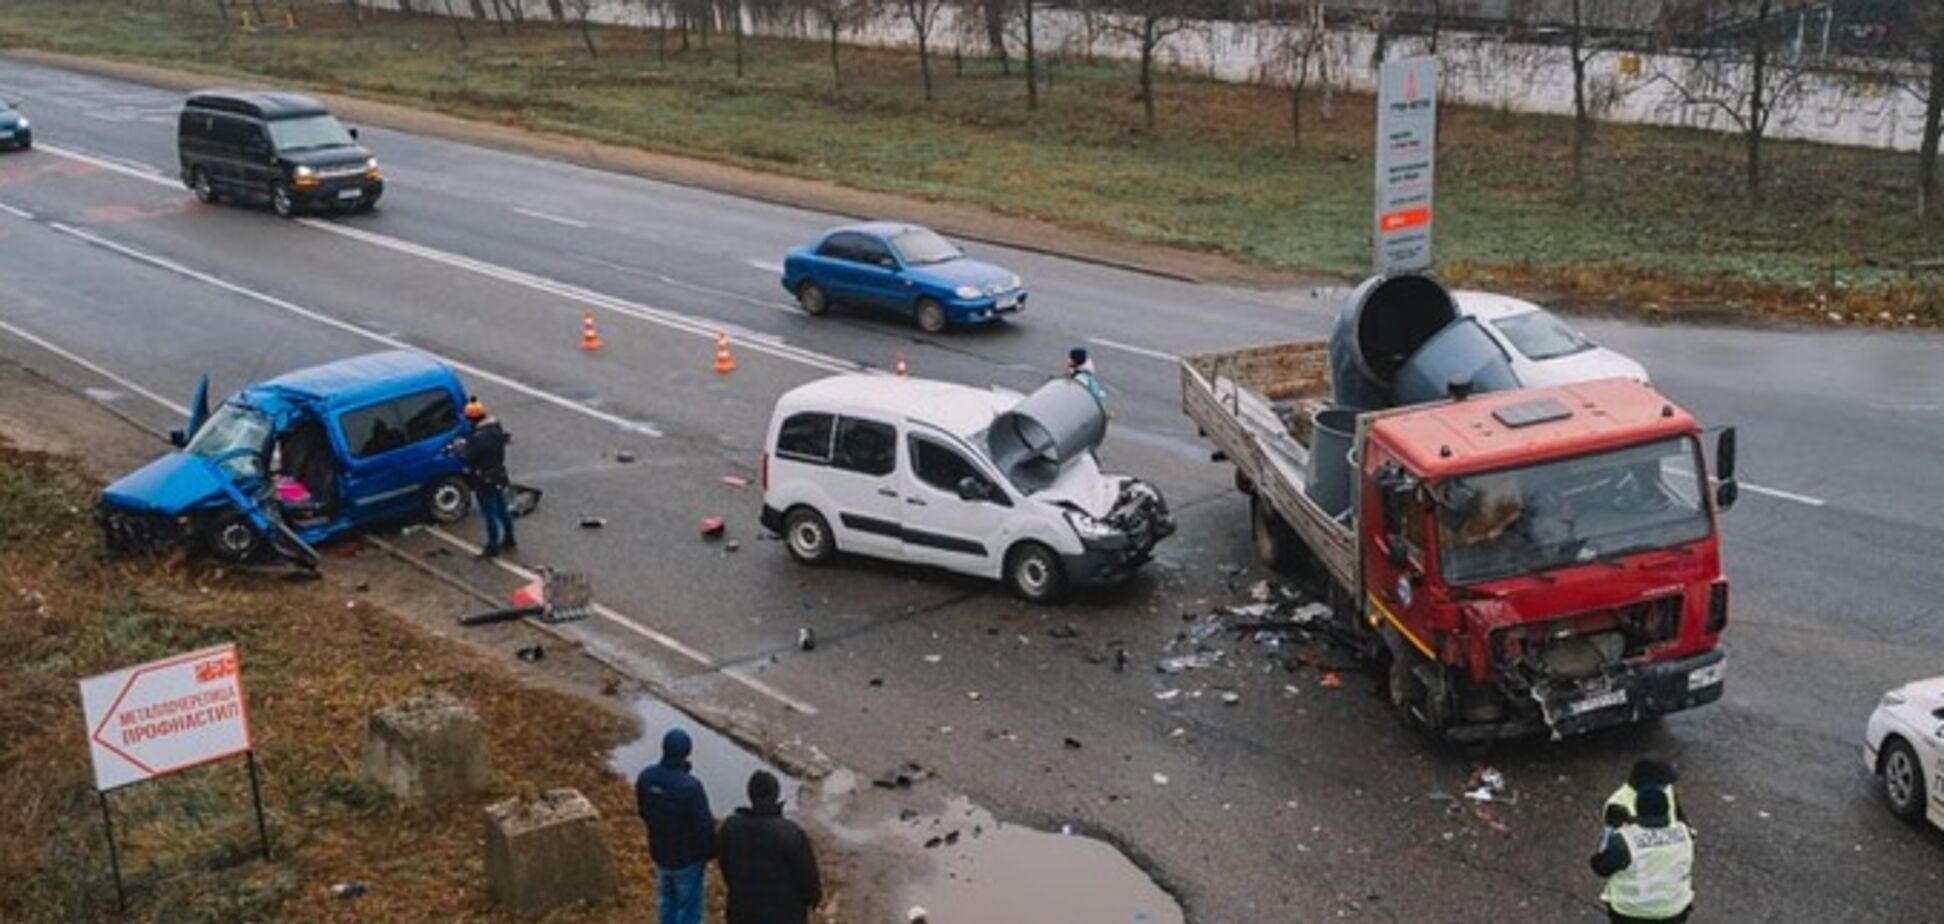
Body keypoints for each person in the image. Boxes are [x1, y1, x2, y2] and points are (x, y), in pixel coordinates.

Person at [717, 770, 823, 924]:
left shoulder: (731, 826)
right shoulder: (790, 833)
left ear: (750, 794)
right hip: (784, 914)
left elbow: (725, 865)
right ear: (775, 795)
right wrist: (813, 898)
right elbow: (807, 877)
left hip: (742, 911)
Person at [635, 729, 716, 924]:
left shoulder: (646, 778)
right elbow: (704, 827)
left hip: (660, 853)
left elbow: (644, 812)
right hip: (688, 860)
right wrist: (711, 851)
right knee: (689, 909)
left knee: (667, 902)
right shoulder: (691, 787)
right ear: (687, 752)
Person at [1590, 787, 1695, 923]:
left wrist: (1612, 831)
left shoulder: (1625, 839)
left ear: (1638, 808)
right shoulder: (1684, 832)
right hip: (1674, 910)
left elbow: (1600, 868)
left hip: (1630, 913)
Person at [450, 396, 515, 558]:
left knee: (489, 514)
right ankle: (509, 537)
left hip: (484, 479)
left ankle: (492, 547)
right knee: (502, 509)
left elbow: (467, 456)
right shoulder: (496, 429)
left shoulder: (478, 438)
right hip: (499, 474)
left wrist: (458, 448)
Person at [1604, 758, 1684, 827]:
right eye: (1663, 784)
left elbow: (1677, 813)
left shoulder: (1666, 788)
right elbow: (1616, 841)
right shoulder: (1617, 805)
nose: (1666, 787)